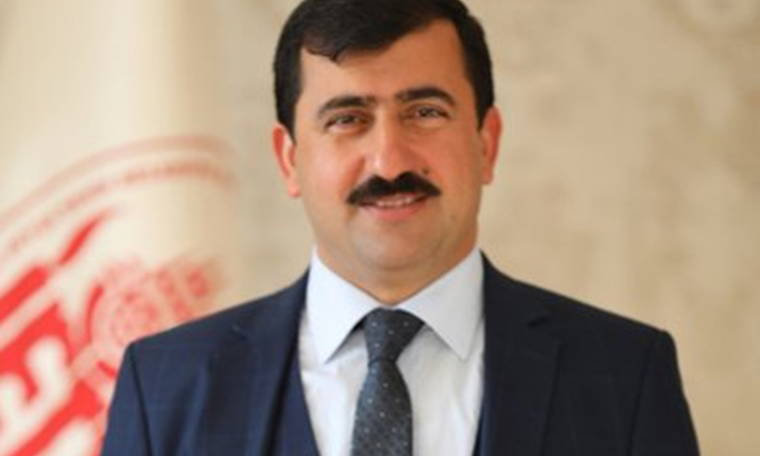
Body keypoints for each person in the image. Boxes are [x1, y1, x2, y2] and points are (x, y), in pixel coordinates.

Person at [101, 0, 699, 454]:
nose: (389, 162)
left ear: (486, 144)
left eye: (425, 112)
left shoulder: (625, 375)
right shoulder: (165, 387)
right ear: (289, 160)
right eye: (347, 119)